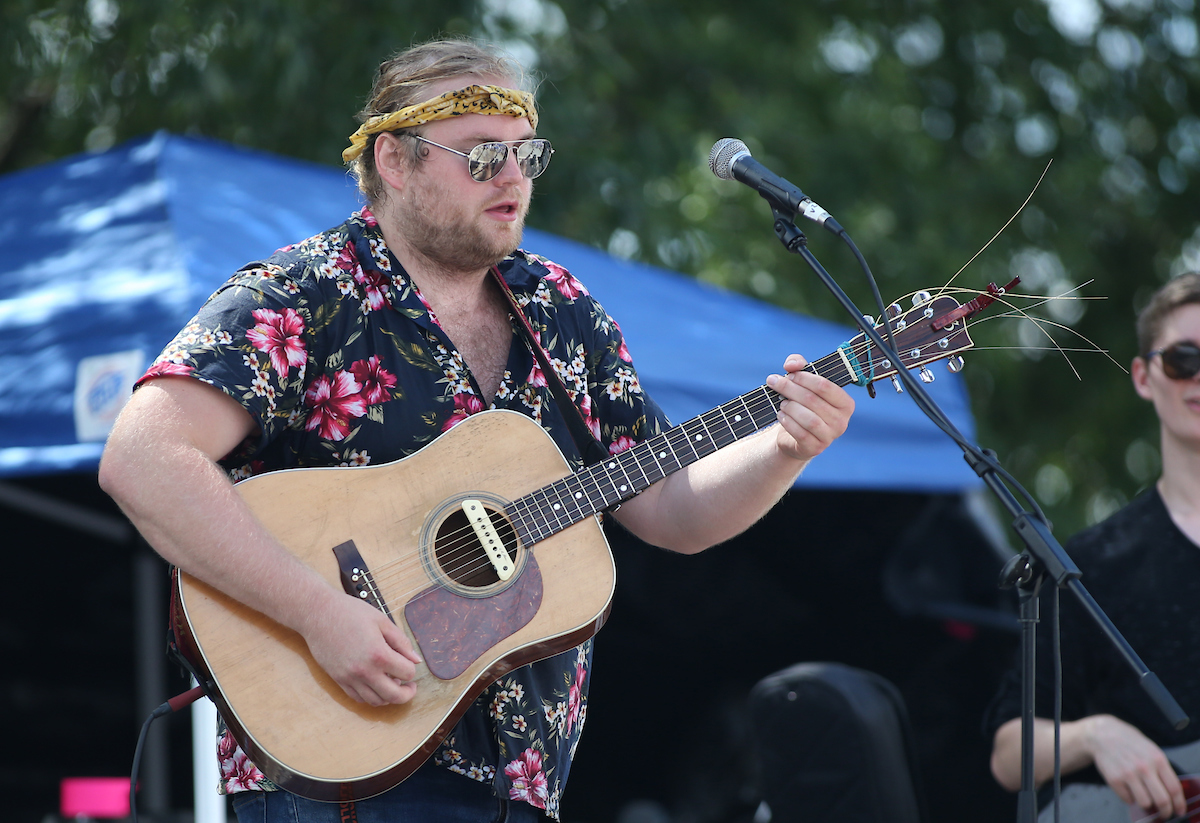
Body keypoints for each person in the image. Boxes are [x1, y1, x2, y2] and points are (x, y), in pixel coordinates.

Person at [98, 38, 855, 822]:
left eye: (527, 153)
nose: (515, 177)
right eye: (484, 155)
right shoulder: (305, 293)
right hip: (337, 766)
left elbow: (668, 505)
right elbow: (144, 457)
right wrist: (318, 613)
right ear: (396, 160)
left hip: (519, 785)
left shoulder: (560, 308)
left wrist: (782, 448)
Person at [985, 272, 1200, 822]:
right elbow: (1010, 753)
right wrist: (1094, 735)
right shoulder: (1091, 565)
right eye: (1184, 358)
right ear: (1145, 376)